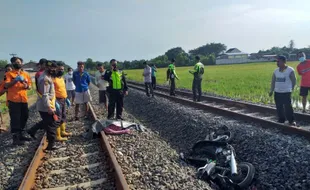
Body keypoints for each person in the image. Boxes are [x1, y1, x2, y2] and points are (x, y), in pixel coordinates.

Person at [4, 57, 32, 145]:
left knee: (25, 116)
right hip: (14, 100)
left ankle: (21, 134)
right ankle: (15, 138)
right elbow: (7, 85)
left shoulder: (26, 74)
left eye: (19, 62)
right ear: (12, 64)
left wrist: (26, 85)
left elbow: (30, 86)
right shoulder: (9, 74)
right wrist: (15, 80)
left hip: (23, 99)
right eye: (16, 62)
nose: (18, 64)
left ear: (22, 63)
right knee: (15, 119)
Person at [35, 60, 60, 150]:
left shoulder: (48, 76)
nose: (53, 69)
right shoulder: (45, 79)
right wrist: (49, 107)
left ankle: (33, 130)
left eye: (54, 68)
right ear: (47, 68)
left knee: (50, 123)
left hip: (48, 105)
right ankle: (51, 145)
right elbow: (45, 95)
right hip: (46, 107)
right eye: (51, 68)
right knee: (51, 125)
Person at [269, 55, 296, 126]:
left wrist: (292, 88)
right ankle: (281, 120)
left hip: (286, 92)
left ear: (284, 62)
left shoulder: (290, 70)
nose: (277, 63)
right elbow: (273, 81)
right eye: (276, 61)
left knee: (288, 107)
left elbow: (294, 80)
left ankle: (291, 120)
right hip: (277, 92)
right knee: (279, 106)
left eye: (279, 61)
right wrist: (271, 90)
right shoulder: (276, 71)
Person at [53, 62, 72, 141]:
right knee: (58, 117)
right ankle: (57, 136)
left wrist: (66, 98)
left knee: (63, 115)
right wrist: (54, 101)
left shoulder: (62, 78)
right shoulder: (53, 79)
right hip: (57, 99)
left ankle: (63, 131)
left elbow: (63, 89)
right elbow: (51, 91)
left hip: (63, 99)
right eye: (59, 69)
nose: (61, 70)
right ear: (56, 70)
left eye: (62, 69)